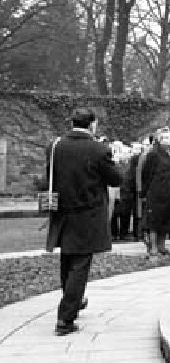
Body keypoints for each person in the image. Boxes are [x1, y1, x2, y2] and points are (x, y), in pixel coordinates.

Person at [45, 107, 122, 335]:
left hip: (62, 211)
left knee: (67, 259)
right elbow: (116, 179)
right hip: (87, 213)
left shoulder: (56, 145)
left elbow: (49, 174)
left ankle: (73, 299)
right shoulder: (99, 149)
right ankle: (65, 318)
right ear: (92, 125)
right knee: (80, 264)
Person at [142, 128, 170, 257]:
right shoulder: (153, 154)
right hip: (157, 192)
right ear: (159, 140)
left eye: (169, 137)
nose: (168, 140)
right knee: (155, 221)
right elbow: (146, 173)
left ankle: (162, 246)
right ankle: (153, 247)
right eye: (164, 138)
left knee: (167, 220)